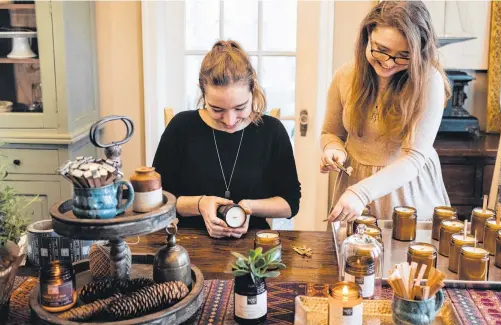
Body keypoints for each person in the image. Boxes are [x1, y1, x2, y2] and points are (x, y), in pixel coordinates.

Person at [153, 40, 301, 238]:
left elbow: (290, 204)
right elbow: (158, 199)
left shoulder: (272, 131)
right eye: (217, 109)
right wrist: (200, 204)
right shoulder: (181, 128)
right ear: (202, 92)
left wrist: (248, 207)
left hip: (255, 247)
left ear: (253, 88)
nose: (230, 121)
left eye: (240, 108)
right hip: (190, 245)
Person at [321, 1, 451, 223]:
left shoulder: (429, 81)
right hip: (355, 187)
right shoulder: (344, 76)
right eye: (380, 50)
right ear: (367, 36)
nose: (388, 63)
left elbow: (413, 158)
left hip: (407, 192)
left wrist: (361, 192)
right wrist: (333, 149)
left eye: (404, 55)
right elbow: (330, 132)